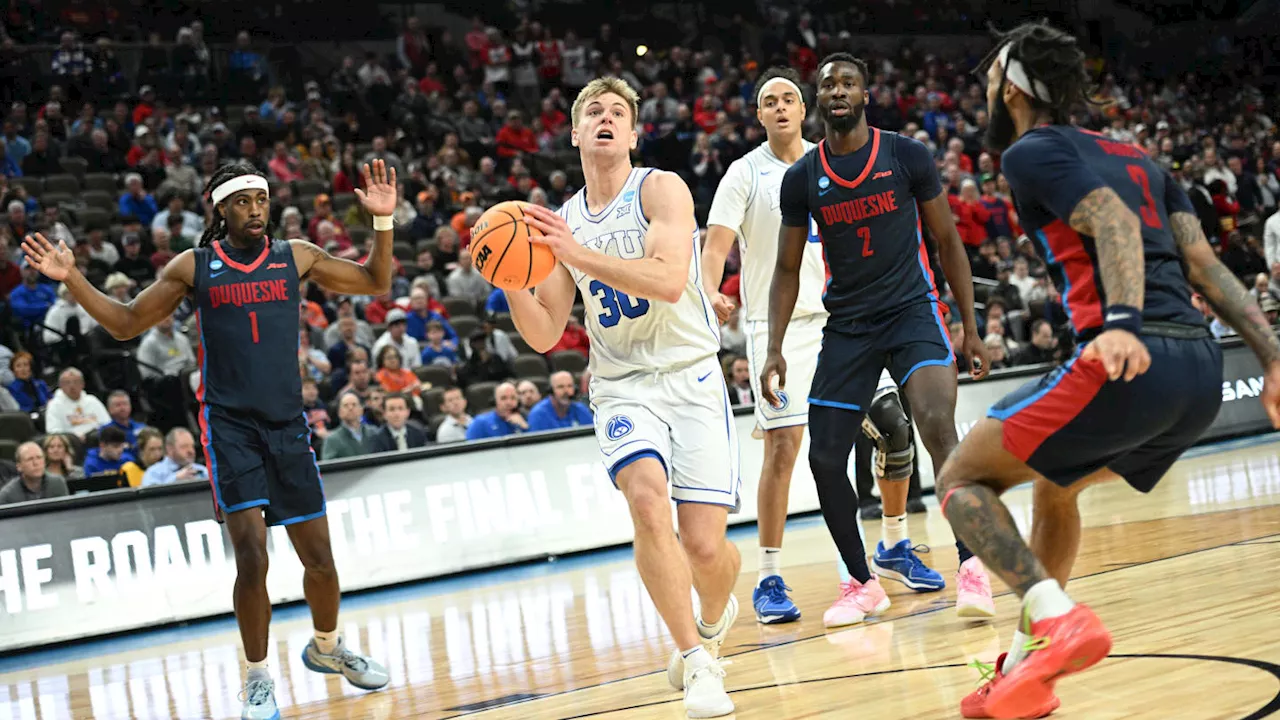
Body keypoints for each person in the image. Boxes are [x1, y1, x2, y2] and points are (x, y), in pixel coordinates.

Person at [938, 23, 1279, 719]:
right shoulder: (1142, 157)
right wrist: (1273, 359)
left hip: (1132, 357)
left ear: (1010, 89)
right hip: (1202, 370)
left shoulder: (1031, 150)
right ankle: (1026, 667)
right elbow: (1206, 268)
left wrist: (1120, 323)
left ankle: (1054, 617)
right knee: (1054, 489)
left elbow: (1115, 225)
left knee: (961, 480)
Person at [22, 159, 399, 719]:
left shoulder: (296, 256)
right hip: (230, 429)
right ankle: (256, 678)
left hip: (289, 426)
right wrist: (72, 278)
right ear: (220, 210)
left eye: (261, 199)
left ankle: (328, 648)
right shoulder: (194, 267)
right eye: (242, 201)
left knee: (319, 560)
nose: (255, 210)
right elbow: (126, 323)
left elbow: (376, 281)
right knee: (251, 558)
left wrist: (383, 225)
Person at [511, 77, 740, 717]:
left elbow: (669, 281)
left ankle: (715, 619)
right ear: (577, 133)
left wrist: (575, 251)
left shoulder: (659, 188)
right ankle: (696, 661)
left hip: (692, 373)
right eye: (594, 112)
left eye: (619, 113)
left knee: (705, 548)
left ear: (634, 134)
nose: (606, 119)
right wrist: (509, 278)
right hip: (621, 383)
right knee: (645, 500)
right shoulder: (562, 224)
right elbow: (546, 331)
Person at [762, 53, 993, 630]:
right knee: (822, 455)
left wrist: (969, 325)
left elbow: (947, 240)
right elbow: (787, 269)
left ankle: (972, 568)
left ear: (866, 95)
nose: (837, 91)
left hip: (913, 311)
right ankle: (863, 583)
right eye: (827, 85)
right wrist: (772, 347)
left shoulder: (905, 155)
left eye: (848, 83)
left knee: (938, 425)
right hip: (849, 327)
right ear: (819, 100)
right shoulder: (801, 178)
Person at [0, 442, 69, 505]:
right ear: (19, 466)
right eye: (30, 459)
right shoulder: (7, 495)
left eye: (39, 457)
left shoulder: (58, 483)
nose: (36, 463)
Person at [141, 427, 209, 486]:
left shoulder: (203, 470)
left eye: (192, 446)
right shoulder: (153, 473)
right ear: (170, 449)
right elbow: (151, 498)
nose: (191, 451)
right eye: (184, 446)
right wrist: (176, 479)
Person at [527, 370, 593, 431]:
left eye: (569, 386)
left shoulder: (580, 409)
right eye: (560, 387)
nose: (566, 391)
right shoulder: (538, 414)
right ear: (551, 390)